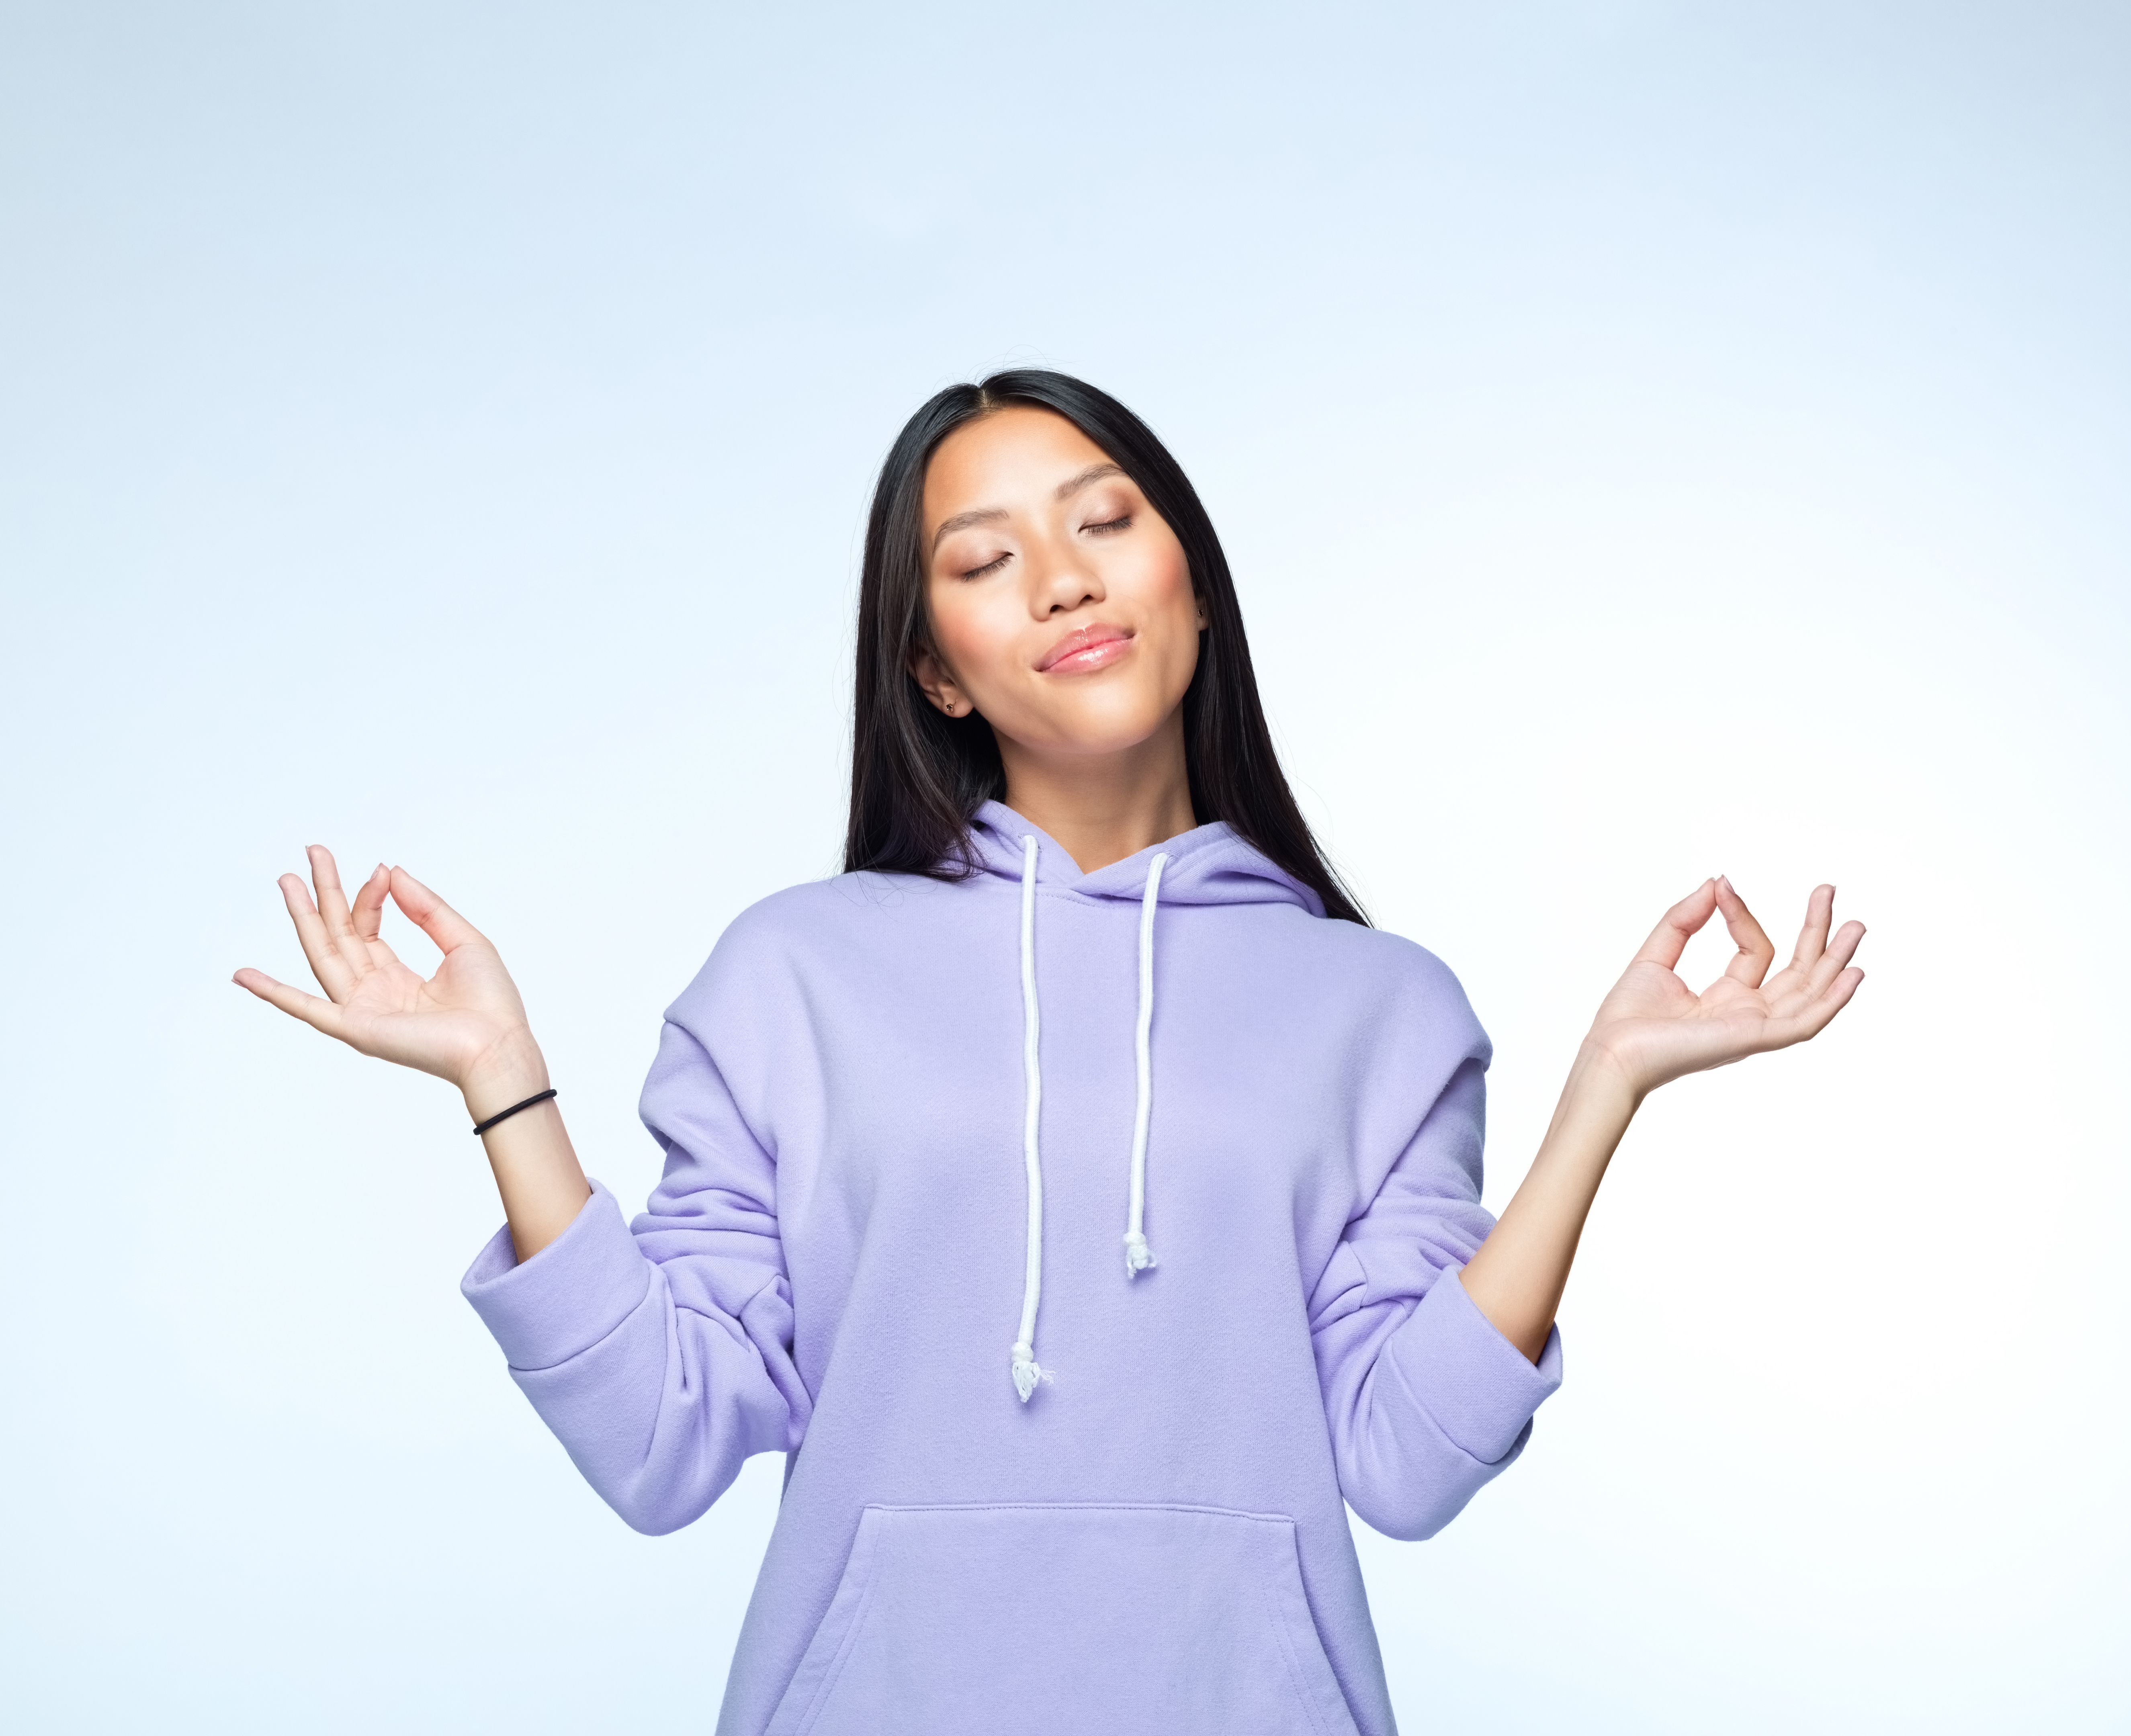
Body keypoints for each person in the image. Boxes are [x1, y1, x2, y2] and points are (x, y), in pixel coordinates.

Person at [235, 371, 1865, 1736]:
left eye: (1106, 522)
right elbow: (662, 1440)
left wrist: (1603, 1094)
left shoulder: (1385, 1009)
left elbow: (1405, 1459)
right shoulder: (797, 973)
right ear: (934, 667)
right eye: (987, 557)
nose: (1069, 580)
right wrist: (500, 1078)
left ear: (1191, 583)